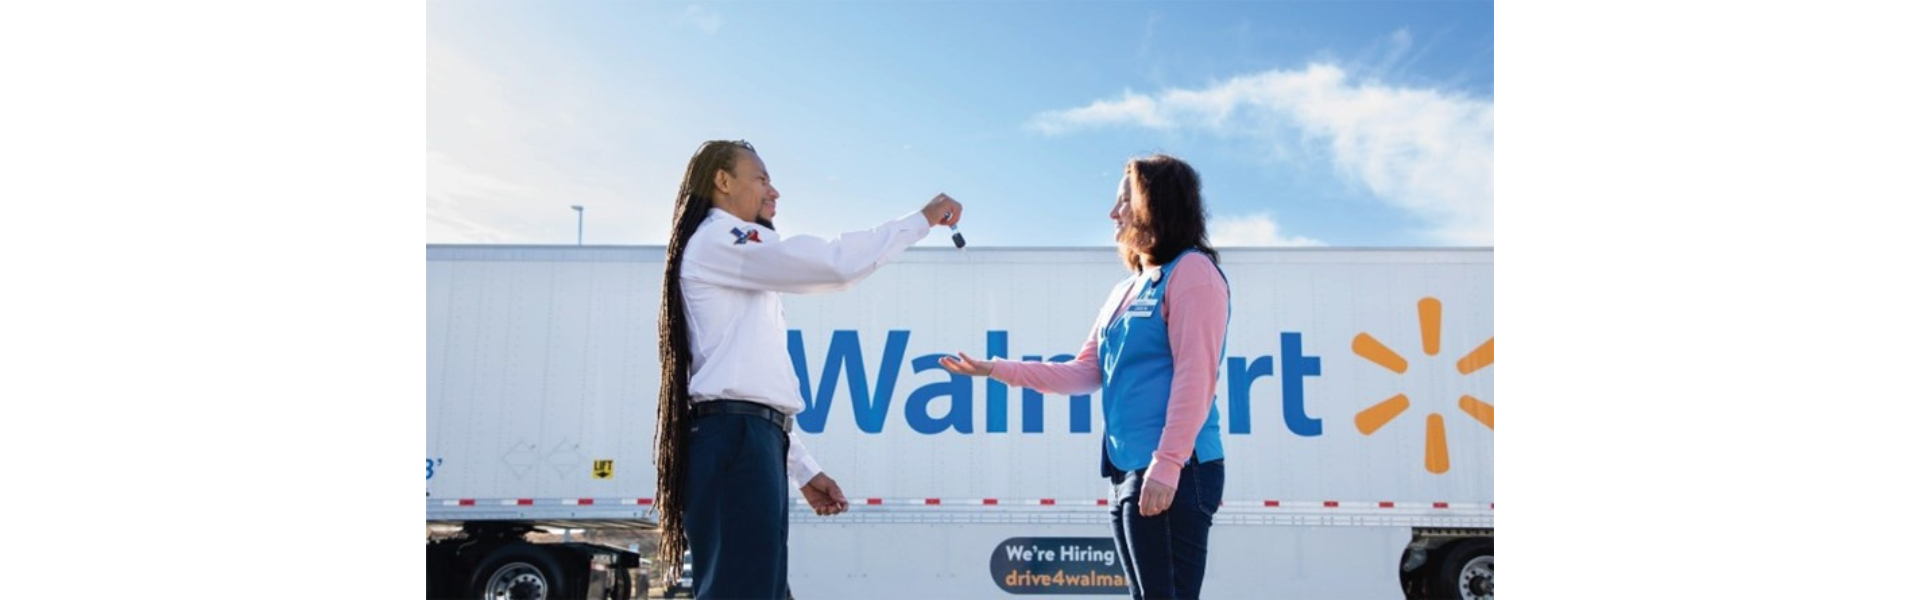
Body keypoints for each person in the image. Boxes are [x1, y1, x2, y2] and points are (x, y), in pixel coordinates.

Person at [654, 139, 963, 599]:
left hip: (751, 440)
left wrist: (801, 468)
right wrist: (920, 220)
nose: (774, 191)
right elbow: (833, 265)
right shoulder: (723, 239)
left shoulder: (731, 257)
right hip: (737, 442)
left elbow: (753, 388)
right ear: (722, 181)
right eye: (761, 179)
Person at [940, 154, 1227, 600]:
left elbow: (1196, 377)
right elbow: (1083, 372)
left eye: (1125, 201)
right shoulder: (1125, 290)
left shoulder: (1192, 272)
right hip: (1128, 469)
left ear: (1157, 205)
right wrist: (995, 369)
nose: (1113, 213)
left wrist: (1168, 464)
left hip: (1175, 468)